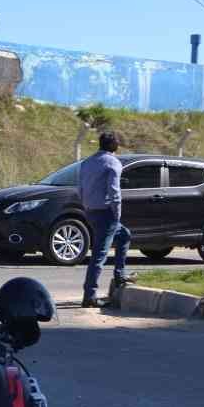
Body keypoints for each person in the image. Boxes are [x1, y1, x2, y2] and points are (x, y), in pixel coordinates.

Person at [79, 130, 129, 309]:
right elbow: (114, 192)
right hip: (106, 213)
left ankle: (120, 274)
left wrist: (86, 207)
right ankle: (89, 296)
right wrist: (117, 214)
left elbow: (81, 188)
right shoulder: (113, 163)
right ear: (116, 146)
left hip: (90, 210)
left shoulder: (87, 162)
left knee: (124, 235)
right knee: (99, 255)